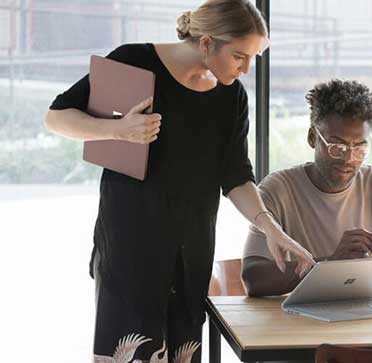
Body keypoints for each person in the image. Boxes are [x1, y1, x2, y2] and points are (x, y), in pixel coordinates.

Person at [45, 1, 314, 362]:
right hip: (130, 252)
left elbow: (235, 175)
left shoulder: (231, 94)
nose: (246, 68)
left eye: (253, 58)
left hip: (191, 256)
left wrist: (272, 229)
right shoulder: (133, 61)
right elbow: (56, 117)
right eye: (239, 56)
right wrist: (117, 130)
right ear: (206, 43)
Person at [242, 79, 372, 299]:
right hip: (299, 324)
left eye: (359, 148)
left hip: (365, 325)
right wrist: (329, 264)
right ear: (313, 138)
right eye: (336, 147)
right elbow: (253, 278)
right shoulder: (278, 190)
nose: (348, 159)